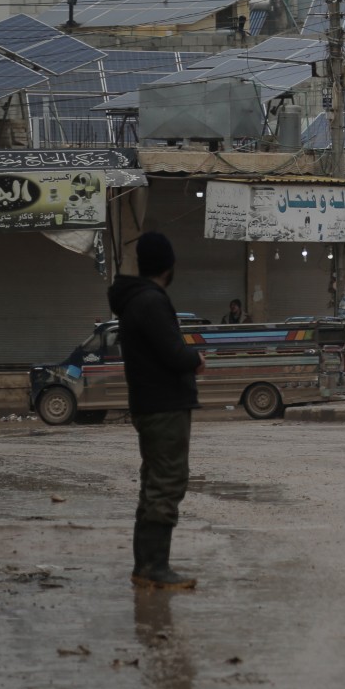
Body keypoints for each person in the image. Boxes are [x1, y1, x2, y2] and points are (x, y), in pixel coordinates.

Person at [108, 232, 204, 592]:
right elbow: (174, 353)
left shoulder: (134, 300)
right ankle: (155, 568)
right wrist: (195, 359)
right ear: (169, 265)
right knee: (167, 482)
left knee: (154, 483)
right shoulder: (150, 302)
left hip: (150, 403)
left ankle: (145, 565)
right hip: (164, 406)